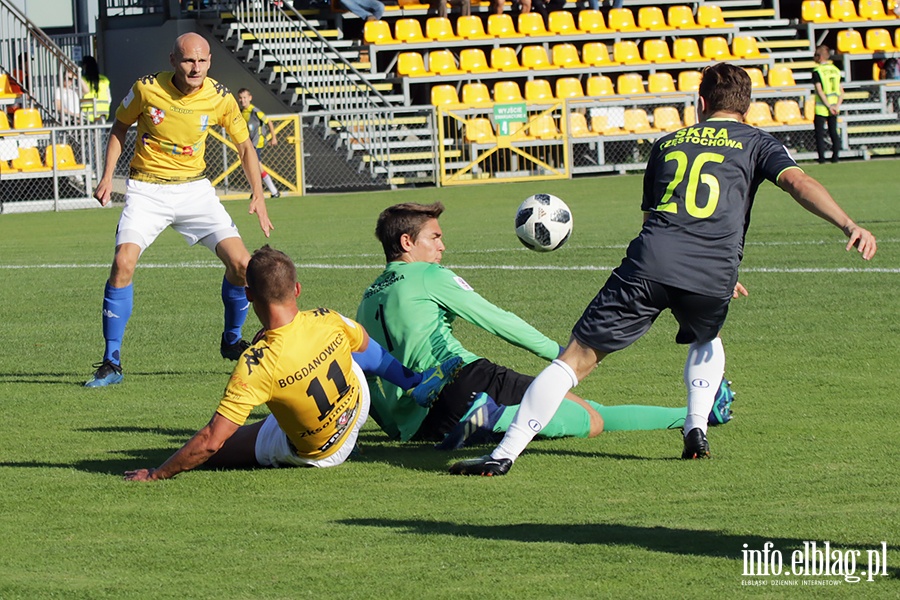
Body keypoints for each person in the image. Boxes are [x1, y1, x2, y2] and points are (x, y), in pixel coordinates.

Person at [450, 63, 877, 476]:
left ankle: (502, 455)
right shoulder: (757, 142)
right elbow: (798, 183)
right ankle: (696, 427)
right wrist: (849, 224)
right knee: (706, 336)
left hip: (651, 261)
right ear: (746, 105)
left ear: (701, 101)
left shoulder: (669, 143)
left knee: (574, 360)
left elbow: (651, 217)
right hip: (711, 273)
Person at [356, 202, 735, 450]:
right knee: (589, 418)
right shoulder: (428, 276)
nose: (442, 247)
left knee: (586, 409)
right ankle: (494, 418)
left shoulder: (368, 297)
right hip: (465, 382)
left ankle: (699, 415)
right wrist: (561, 357)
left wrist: (398, 428)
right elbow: (498, 321)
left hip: (420, 424)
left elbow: (369, 371)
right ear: (407, 242)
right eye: (434, 238)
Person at [85, 32, 274, 388]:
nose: (196, 67)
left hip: (195, 192)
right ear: (173, 60)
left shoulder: (219, 97)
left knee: (243, 266)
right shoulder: (146, 89)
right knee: (123, 262)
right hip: (146, 190)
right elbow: (120, 126)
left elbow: (245, 145)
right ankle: (112, 361)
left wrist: (258, 194)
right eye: (188, 60)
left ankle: (232, 341)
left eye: (202, 61)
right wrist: (108, 175)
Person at [123, 246, 371, 479]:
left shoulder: (258, 363)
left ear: (248, 294)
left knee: (217, 451)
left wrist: (156, 473)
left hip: (324, 452)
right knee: (342, 360)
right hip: (359, 407)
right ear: (296, 289)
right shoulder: (327, 317)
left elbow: (210, 443)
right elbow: (365, 346)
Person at [236, 88, 281, 198]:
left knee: (256, 166)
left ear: (250, 98)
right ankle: (261, 191)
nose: (243, 101)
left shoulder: (255, 111)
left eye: (245, 98)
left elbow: (268, 122)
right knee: (253, 167)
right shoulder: (241, 112)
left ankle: (272, 191)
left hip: (257, 143)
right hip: (248, 144)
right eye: (240, 98)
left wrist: (273, 137)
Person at [812, 45, 843, 164]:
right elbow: (841, 91)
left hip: (822, 107)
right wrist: (836, 106)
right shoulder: (835, 70)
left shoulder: (817, 71)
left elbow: (819, 91)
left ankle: (822, 159)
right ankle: (835, 158)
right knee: (833, 132)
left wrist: (828, 106)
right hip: (834, 106)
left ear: (819, 57)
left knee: (819, 134)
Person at [80, 56, 112, 122]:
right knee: (101, 132)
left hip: (87, 114)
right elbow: (109, 98)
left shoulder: (83, 80)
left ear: (85, 66)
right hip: (102, 113)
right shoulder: (104, 80)